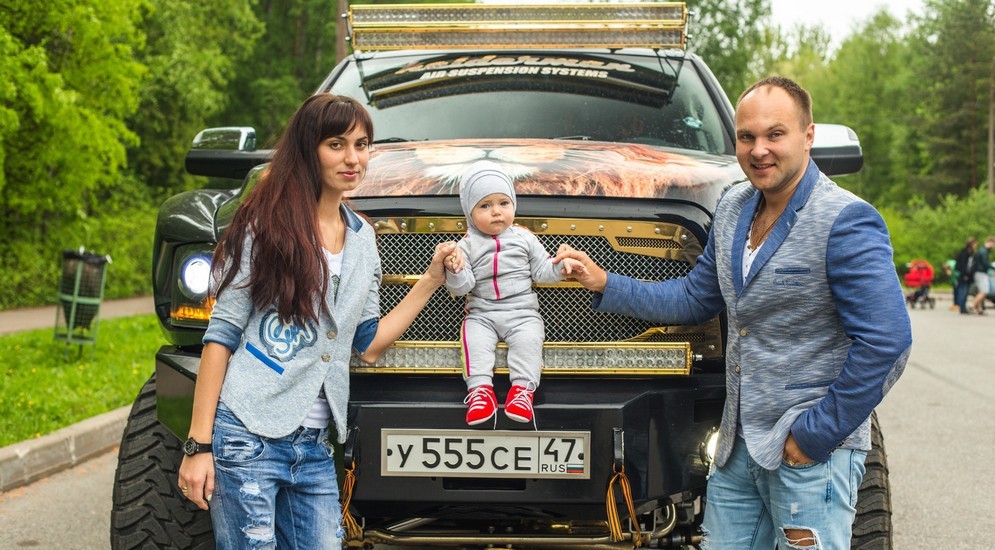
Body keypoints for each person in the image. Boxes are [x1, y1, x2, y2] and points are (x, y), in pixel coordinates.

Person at [555, 76, 912, 549]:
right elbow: (694, 298)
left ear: (808, 136)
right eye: (747, 137)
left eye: (775, 134)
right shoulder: (732, 208)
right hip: (738, 448)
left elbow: (888, 341)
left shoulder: (845, 219)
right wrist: (606, 282)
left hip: (808, 454)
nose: (759, 150)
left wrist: (815, 434)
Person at [176, 94, 456, 549]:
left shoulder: (364, 240)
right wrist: (198, 445)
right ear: (309, 149)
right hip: (246, 435)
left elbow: (368, 344)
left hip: (314, 447)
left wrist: (430, 281)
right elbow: (221, 335)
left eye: (362, 145)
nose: (353, 159)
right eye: (336, 144)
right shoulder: (264, 225)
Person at [443, 160, 585, 426]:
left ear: (513, 204)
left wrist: (562, 267)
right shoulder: (465, 246)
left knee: (529, 340)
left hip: (522, 313)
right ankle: (479, 392)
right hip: (482, 314)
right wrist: (455, 269)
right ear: (469, 212)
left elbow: (542, 270)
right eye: (485, 206)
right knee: (473, 340)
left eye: (503, 203)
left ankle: (522, 392)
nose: (496, 211)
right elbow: (462, 287)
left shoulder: (524, 238)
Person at [968, 236, 994, 315]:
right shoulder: (984, 251)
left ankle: (980, 309)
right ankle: (972, 304)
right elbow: (985, 263)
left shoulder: (981, 250)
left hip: (977, 273)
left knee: (980, 291)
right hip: (981, 273)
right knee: (985, 291)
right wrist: (993, 267)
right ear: (991, 243)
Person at [954, 237, 978, 314]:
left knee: (964, 291)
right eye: (975, 244)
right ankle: (962, 307)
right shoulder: (965, 253)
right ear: (971, 244)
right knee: (963, 291)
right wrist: (965, 274)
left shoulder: (969, 253)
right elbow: (963, 265)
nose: (976, 246)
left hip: (967, 275)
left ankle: (963, 307)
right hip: (964, 275)